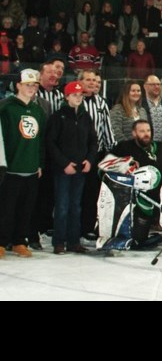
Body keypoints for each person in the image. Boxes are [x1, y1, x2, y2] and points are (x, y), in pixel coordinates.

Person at [109, 119, 162, 250]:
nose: (146, 134)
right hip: (128, 203)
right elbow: (105, 170)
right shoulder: (123, 148)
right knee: (136, 239)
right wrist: (125, 170)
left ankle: (145, 230)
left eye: (148, 131)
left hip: (148, 204)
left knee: (139, 238)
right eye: (142, 131)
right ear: (134, 133)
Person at [46, 81, 97, 254]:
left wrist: (89, 160)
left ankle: (74, 241)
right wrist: (64, 164)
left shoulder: (85, 117)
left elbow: (93, 142)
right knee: (62, 206)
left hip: (80, 170)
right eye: (75, 95)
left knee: (76, 206)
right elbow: (51, 144)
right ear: (66, 96)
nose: (78, 98)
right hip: (63, 170)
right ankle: (59, 241)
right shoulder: (57, 117)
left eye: (80, 95)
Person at [0, 69, 46, 258]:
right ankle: (2, 242)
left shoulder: (38, 111)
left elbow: (41, 140)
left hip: (31, 169)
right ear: (18, 85)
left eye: (34, 85)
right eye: (28, 85)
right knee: (6, 209)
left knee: (26, 209)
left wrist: (40, 164)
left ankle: (20, 241)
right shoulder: (6, 108)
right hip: (11, 168)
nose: (31, 88)